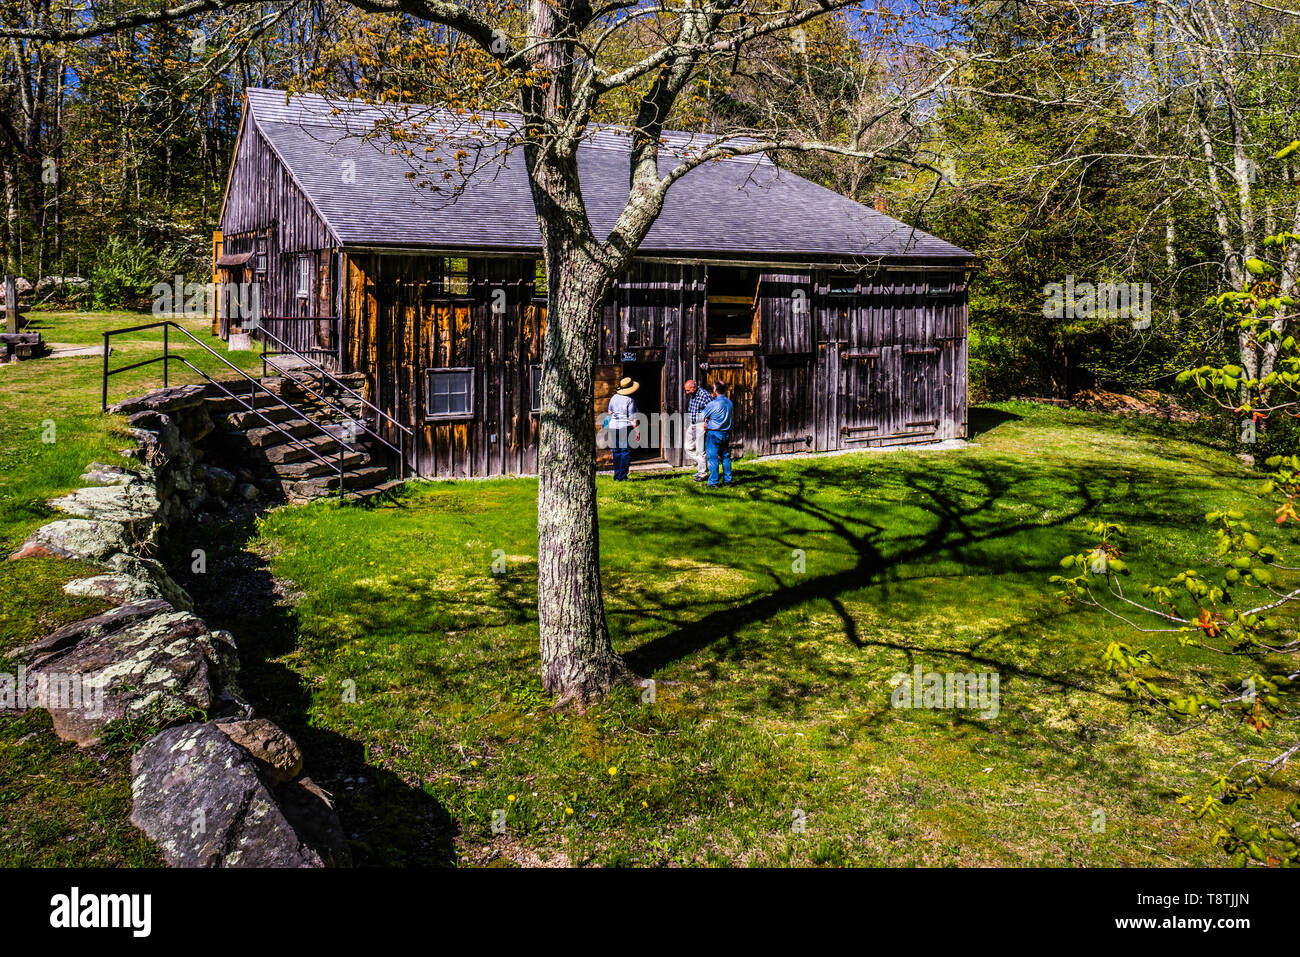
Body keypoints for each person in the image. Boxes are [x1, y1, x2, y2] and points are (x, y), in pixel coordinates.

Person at [702, 380, 734, 488]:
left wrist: (707, 424)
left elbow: (702, 416)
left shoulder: (713, 404)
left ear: (715, 390)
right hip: (726, 433)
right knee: (726, 457)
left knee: (712, 458)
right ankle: (728, 481)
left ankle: (713, 482)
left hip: (714, 433)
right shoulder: (729, 403)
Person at [606, 376, 639, 481]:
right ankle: (623, 477)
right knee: (625, 452)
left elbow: (610, 413)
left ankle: (617, 475)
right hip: (625, 427)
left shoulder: (613, 398)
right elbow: (632, 418)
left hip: (613, 427)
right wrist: (637, 431)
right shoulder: (630, 400)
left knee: (616, 451)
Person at [684, 378, 711, 482]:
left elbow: (711, 408)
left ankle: (702, 473)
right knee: (688, 447)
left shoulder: (704, 395)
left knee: (700, 450)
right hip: (693, 423)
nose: (686, 393)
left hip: (701, 423)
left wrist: (706, 422)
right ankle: (703, 465)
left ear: (694, 388)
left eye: (688, 390)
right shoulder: (693, 395)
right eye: (685, 390)